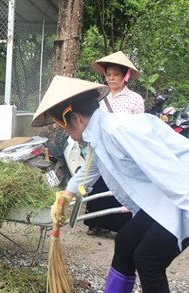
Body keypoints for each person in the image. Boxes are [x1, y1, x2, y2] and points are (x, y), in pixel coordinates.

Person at [32, 75, 189, 293]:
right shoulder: (99, 135)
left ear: (76, 118)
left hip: (182, 195)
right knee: (125, 240)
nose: (65, 133)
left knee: (148, 259)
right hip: (163, 199)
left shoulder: (120, 129)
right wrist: (65, 196)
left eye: (63, 127)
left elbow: (172, 174)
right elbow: (91, 169)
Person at [82, 51, 145, 235]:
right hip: (100, 146)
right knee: (99, 183)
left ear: (125, 76)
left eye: (115, 74)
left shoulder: (135, 99)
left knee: (119, 186)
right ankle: (96, 224)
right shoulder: (99, 96)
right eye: (108, 74)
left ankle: (120, 227)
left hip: (123, 150)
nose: (111, 78)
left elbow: (138, 125)